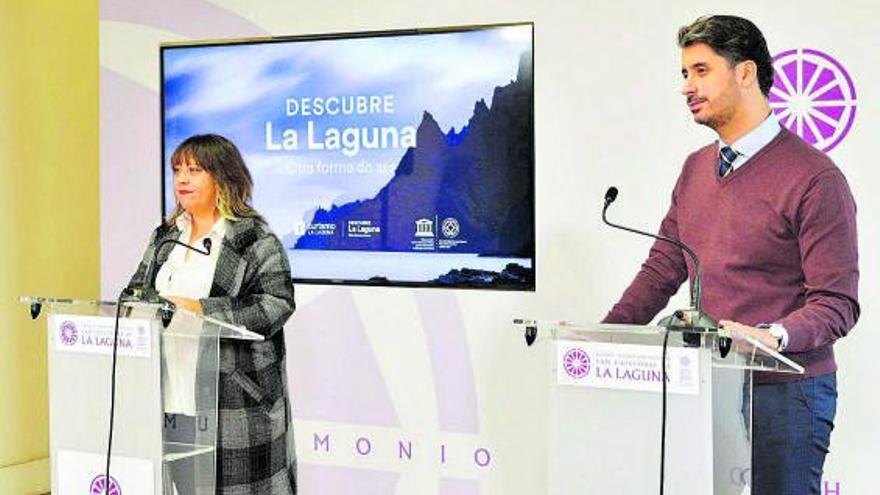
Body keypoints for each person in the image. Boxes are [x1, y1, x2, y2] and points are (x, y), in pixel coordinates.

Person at [602, 15, 859, 495]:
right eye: (684, 74)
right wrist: (603, 335)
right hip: (708, 389)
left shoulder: (815, 179)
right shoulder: (695, 169)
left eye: (701, 71)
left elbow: (837, 304)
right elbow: (663, 269)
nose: (686, 87)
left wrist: (769, 336)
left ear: (745, 74)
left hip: (787, 398)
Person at [127, 134, 297, 494]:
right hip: (171, 399)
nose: (181, 180)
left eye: (194, 170)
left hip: (234, 403)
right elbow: (133, 294)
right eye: (177, 171)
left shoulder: (256, 240)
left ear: (223, 176)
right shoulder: (166, 237)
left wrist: (201, 309)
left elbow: (275, 304)